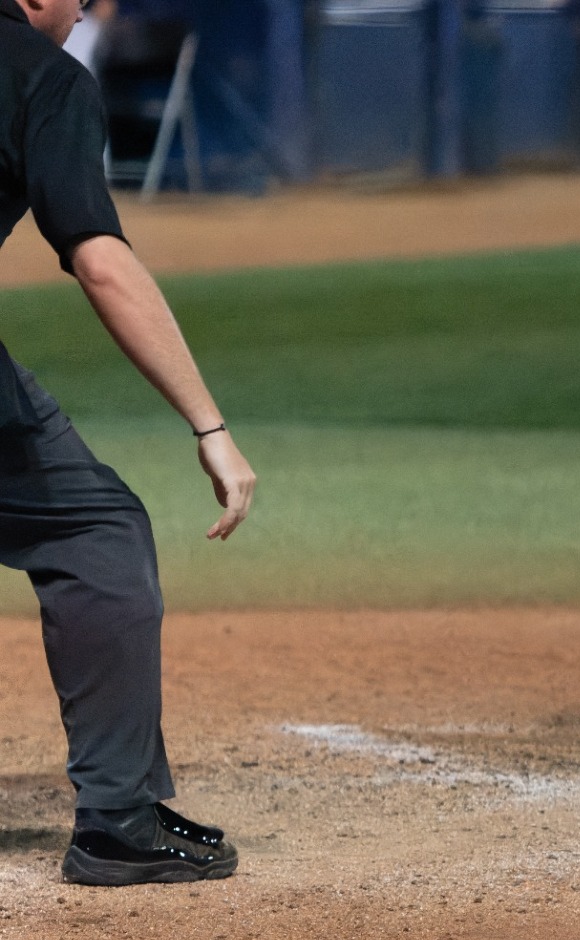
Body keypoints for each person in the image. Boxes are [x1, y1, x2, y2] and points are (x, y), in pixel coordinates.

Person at [2, 0, 255, 883]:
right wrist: (210, 426)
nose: (88, 7)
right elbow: (100, 259)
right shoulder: (42, 78)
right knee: (95, 533)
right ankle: (117, 821)